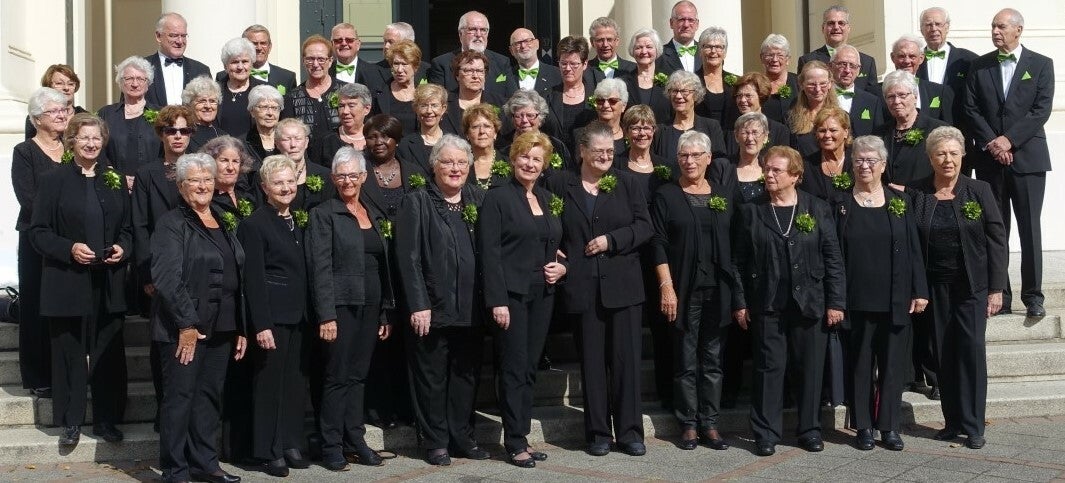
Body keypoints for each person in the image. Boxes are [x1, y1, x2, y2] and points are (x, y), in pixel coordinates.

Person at [543, 122, 652, 457]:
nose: (606, 156)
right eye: (599, 151)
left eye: (610, 151)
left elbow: (645, 227)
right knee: (592, 364)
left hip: (623, 286)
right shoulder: (560, 184)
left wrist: (612, 240)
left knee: (626, 363)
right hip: (583, 285)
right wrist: (558, 257)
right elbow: (548, 226)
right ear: (582, 151)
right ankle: (598, 433)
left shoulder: (627, 183)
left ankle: (630, 432)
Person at [732, 145, 846, 457]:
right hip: (767, 303)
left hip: (809, 302)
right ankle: (766, 433)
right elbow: (738, 261)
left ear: (795, 176)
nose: (768, 175)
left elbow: (832, 257)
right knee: (768, 369)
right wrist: (740, 302)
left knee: (810, 369)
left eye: (776, 170)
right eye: (766, 169)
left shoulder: (816, 208)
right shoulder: (751, 211)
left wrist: (836, 302)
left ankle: (810, 430)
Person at [29, 113, 130, 447]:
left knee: (108, 353)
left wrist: (123, 247)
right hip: (67, 280)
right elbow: (38, 232)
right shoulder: (52, 180)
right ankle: (70, 421)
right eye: (84, 137)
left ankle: (106, 420)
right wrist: (69, 248)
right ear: (71, 141)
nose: (91, 143)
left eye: (96, 138)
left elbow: (129, 229)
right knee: (69, 351)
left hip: (108, 280)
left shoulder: (113, 179)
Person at [150, 152, 247, 483]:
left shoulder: (220, 217)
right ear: (181, 186)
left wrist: (241, 325)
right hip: (185, 328)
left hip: (222, 325)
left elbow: (236, 272)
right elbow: (167, 278)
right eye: (194, 180)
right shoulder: (171, 223)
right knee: (180, 398)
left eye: (207, 179)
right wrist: (187, 324)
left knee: (208, 397)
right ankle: (175, 469)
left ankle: (205, 463)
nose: (203, 185)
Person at [908, 126, 1007, 449]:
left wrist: (996, 288)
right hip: (935, 287)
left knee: (971, 351)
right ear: (930, 158)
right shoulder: (918, 192)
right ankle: (952, 422)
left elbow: (997, 240)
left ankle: (974, 425)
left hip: (971, 287)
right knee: (943, 353)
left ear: (963, 155)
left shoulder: (979, 190)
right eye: (940, 154)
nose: (947, 160)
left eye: (953, 153)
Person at [396, 134, 488, 466]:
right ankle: (435, 441)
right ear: (434, 165)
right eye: (447, 162)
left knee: (466, 375)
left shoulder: (478, 198)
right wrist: (419, 304)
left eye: (461, 162)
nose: (455, 168)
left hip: (471, 307)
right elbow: (408, 258)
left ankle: (462, 436)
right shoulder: (417, 201)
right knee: (431, 377)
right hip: (432, 307)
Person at [835, 135, 927, 451]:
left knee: (892, 366)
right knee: (860, 364)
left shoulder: (899, 202)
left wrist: (919, 290)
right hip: (856, 298)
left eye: (871, 160)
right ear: (851, 164)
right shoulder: (840, 203)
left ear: (883, 165)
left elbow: (914, 248)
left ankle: (889, 427)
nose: (865, 166)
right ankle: (863, 426)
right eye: (859, 160)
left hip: (894, 297)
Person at [479, 131, 566, 467]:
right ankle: (514, 442)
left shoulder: (546, 197)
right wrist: (497, 300)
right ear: (514, 159)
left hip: (542, 294)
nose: (530, 164)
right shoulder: (498, 197)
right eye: (525, 157)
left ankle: (523, 436)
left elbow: (556, 244)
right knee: (514, 368)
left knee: (529, 368)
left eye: (536, 159)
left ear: (544, 165)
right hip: (511, 295)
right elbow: (489, 253)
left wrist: (563, 267)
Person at [307, 147, 393, 471]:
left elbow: (381, 264)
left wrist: (384, 311)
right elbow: (319, 268)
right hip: (341, 306)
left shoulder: (371, 211)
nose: (347, 181)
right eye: (341, 176)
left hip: (371, 304)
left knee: (358, 376)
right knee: (337, 376)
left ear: (363, 177)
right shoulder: (324, 214)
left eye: (353, 175)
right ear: (333, 178)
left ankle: (354, 439)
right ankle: (331, 445)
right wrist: (326, 314)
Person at [651, 130, 739, 451]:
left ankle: (710, 423)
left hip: (718, 291)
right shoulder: (666, 195)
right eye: (683, 156)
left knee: (713, 359)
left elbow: (737, 244)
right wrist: (667, 286)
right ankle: (688, 424)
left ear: (708, 158)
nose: (689, 161)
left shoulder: (724, 194)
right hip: (684, 289)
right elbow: (658, 243)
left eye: (696, 155)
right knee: (685, 359)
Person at [963, 8, 1052, 317]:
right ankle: (1001, 295)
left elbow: (1041, 109)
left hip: (1028, 159)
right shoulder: (979, 66)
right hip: (990, 160)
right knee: (995, 228)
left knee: (1030, 229)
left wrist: (1009, 140)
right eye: (993, 26)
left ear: (1018, 30)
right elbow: (971, 108)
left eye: (1001, 26)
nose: (995, 31)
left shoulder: (1041, 64)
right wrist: (994, 143)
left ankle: (1033, 296)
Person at [234, 155, 307, 477]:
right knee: (269, 385)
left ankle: (290, 443)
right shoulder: (254, 224)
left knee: (293, 383)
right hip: (272, 318)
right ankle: (268, 449)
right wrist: (261, 325)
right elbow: (253, 279)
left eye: (290, 181)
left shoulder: (297, 221)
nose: (286, 188)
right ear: (264, 187)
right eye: (278, 183)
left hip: (298, 316)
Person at [132, 105, 196, 431]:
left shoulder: (201, 168)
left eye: (184, 131)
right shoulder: (148, 173)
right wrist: (148, 274)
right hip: (161, 269)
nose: (178, 136)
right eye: (172, 131)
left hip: (196, 267)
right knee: (162, 341)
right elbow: (140, 225)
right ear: (162, 134)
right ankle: (164, 409)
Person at [12, 87, 71, 398]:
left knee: (65, 307)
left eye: (64, 110)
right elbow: (29, 198)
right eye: (54, 111)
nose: (61, 115)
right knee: (36, 305)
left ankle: (67, 372)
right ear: (37, 119)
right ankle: (38, 375)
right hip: (36, 239)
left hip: (71, 241)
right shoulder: (25, 152)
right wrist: (64, 220)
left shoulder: (73, 149)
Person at [874, 69, 948, 186]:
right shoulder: (879, 133)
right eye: (890, 96)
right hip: (888, 196)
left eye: (902, 95)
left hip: (924, 195)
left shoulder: (939, 130)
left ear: (915, 96)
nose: (896, 101)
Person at [100, 56, 163, 185]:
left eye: (140, 79)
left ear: (148, 83)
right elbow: (99, 150)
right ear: (120, 82)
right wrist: (118, 178)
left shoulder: (161, 115)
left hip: (152, 184)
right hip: (114, 185)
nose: (135, 84)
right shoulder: (106, 114)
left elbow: (167, 152)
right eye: (129, 79)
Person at [916, 7, 977, 127]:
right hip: (923, 127)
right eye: (928, 25)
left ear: (947, 27)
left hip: (958, 125)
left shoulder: (968, 60)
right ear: (922, 30)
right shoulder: (913, 60)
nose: (934, 29)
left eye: (938, 24)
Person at [282, 35, 345, 150]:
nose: (315, 64)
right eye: (310, 59)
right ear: (303, 61)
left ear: (330, 61)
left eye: (321, 59)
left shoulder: (345, 91)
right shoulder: (292, 98)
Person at [797, 5, 878, 94]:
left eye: (841, 23)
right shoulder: (807, 61)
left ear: (848, 28)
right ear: (823, 28)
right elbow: (802, 96)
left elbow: (873, 98)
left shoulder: (867, 62)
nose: (836, 27)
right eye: (831, 23)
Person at [428, 11, 511, 95]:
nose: (478, 34)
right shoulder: (442, 64)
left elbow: (512, 97)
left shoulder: (502, 62)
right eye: (472, 29)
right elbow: (437, 99)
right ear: (460, 34)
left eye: (483, 30)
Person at [653, 70, 726, 163]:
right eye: (674, 91)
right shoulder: (659, 131)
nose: (678, 96)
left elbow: (719, 163)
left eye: (684, 91)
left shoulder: (711, 127)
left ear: (696, 95)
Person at [266, 118, 336, 212]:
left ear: (306, 142)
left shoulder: (325, 175)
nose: (293, 145)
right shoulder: (266, 176)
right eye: (286, 139)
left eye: (298, 138)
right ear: (277, 143)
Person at [144, 12, 211, 106]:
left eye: (183, 36)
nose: (180, 41)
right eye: (174, 35)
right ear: (158, 36)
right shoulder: (142, 68)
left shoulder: (201, 70)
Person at [884, 35, 953, 123]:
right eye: (901, 56)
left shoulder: (939, 92)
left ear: (921, 58)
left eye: (912, 56)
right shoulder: (876, 94)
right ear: (893, 58)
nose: (907, 61)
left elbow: (947, 127)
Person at [498, 90, 570, 170]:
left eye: (530, 115)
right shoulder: (501, 146)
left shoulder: (557, 146)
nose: (524, 120)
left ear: (540, 117)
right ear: (512, 118)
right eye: (518, 116)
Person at [723, 73, 791, 157]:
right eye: (739, 96)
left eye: (748, 96)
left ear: (761, 96)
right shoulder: (729, 130)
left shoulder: (779, 131)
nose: (742, 100)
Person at [362, 114, 418, 217]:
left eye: (385, 136)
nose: (378, 142)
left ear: (397, 140)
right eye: (372, 137)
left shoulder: (414, 171)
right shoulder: (357, 171)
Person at [216, 25, 297, 94]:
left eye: (263, 43)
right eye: (254, 44)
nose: (259, 48)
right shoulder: (222, 76)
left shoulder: (287, 77)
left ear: (270, 47)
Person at [397, 84, 449, 192]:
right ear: (416, 109)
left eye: (434, 105)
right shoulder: (405, 145)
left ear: (443, 109)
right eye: (424, 105)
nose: (429, 111)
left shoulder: (454, 143)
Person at [547, 36, 595, 149]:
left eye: (573, 64)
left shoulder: (597, 97)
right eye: (563, 63)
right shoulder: (547, 96)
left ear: (585, 64)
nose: (568, 68)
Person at [800, 107, 853, 202]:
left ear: (846, 132)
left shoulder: (856, 163)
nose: (827, 135)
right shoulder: (806, 165)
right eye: (822, 131)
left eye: (833, 130)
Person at [788, 61, 840, 158]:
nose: (817, 89)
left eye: (823, 84)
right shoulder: (791, 117)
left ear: (830, 84)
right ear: (801, 85)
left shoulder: (840, 117)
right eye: (811, 84)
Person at [830, 45, 883, 137]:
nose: (847, 70)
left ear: (858, 70)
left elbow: (878, 138)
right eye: (842, 64)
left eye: (852, 66)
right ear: (831, 66)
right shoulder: (821, 98)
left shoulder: (872, 102)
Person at [216, 37, 264, 139]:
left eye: (245, 61)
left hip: (253, 147)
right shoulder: (214, 91)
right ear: (225, 66)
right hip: (221, 147)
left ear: (252, 64)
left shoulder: (264, 90)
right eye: (235, 62)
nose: (240, 67)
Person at [314, 82, 373, 164]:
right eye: (341, 106)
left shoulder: (377, 139)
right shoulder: (326, 141)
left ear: (366, 109)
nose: (345, 111)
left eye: (351, 105)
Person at [622, 28, 672, 124]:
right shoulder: (623, 83)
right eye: (638, 47)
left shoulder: (670, 81)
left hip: (663, 132)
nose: (644, 51)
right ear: (632, 51)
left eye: (649, 47)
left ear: (657, 50)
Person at [24, 64, 87, 139]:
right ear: (49, 87)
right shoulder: (38, 116)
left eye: (71, 84)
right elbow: (31, 144)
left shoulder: (85, 117)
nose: (66, 88)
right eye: (59, 83)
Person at [376, 39, 421, 135]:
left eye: (404, 64)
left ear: (415, 67)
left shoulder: (423, 94)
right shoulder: (380, 93)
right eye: (396, 64)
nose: (399, 70)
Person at [693, 27, 738, 125]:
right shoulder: (691, 81)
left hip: (731, 133)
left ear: (725, 52)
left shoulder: (737, 82)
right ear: (700, 51)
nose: (713, 51)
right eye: (708, 47)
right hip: (701, 133)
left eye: (718, 47)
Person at [502, 28, 561, 99]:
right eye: (517, 43)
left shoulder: (557, 74)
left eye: (527, 41)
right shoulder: (506, 77)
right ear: (511, 50)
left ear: (537, 44)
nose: (523, 46)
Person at [449, 50, 505, 124]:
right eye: (468, 71)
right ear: (457, 75)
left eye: (479, 71)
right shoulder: (444, 103)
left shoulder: (501, 104)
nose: (475, 76)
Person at [329, 23, 386, 93]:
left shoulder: (374, 72)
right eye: (338, 40)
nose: (344, 43)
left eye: (349, 40)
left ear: (358, 44)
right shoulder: (325, 71)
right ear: (332, 44)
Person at [576, 78, 628, 154]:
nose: (606, 105)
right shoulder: (581, 135)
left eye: (612, 101)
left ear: (623, 106)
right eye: (600, 100)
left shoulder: (631, 136)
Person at [463, 103, 507, 190]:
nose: (482, 131)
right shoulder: (461, 164)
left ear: (495, 133)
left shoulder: (510, 164)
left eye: (487, 126)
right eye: (475, 127)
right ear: (467, 134)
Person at [728, 111, 771, 202]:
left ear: (765, 137)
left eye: (755, 133)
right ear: (736, 136)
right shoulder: (723, 167)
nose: (750, 138)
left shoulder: (771, 169)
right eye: (745, 133)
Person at [759, 34, 800, 124]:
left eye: (780, 55)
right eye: (770, 55)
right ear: (761, 58)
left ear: (788, 59)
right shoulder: (755, 84)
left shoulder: (799, 83)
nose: (774, 59)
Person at [182, 76, 227, 152]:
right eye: (202, 101)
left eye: (212, 101)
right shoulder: (183, 133)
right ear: (189, 104)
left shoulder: (224, 137)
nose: (208, 106)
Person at [585, 17, 635, 84]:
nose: (605, 44)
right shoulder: (584, 69)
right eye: (600, 40)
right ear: (592, 42)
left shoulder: (633, 69)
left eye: (609, 39)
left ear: (617, 41)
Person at [658, 1, 701, 75]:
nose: (686, 25)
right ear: (671, 23)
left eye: (691, 20)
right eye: (681, 19)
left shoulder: (706, 53)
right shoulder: (659, 55)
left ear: (697, 24)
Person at [244, 85, 284, 161]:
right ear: (252, 111)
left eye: (274, 108)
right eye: (264, 107)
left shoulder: (288, 140)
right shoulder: (242, 144)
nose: (270, 113)